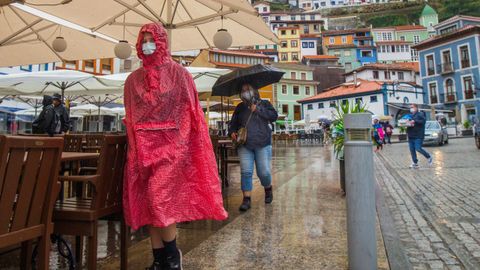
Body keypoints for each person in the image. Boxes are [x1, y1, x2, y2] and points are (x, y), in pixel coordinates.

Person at [122, 23, 228, 270]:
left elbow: (191, 113)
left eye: (152, 39)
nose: (147, 43)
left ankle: (172, 257)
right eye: (143, 39)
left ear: (161, 42)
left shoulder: (180, 74)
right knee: (150, 201)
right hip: (142, 150)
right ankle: (159, 259)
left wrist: (180, 146)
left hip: (170, 149)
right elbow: (131, 116)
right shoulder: (132, 80)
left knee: (160, 199)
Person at [229, 84, 278, 212]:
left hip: (262, 143)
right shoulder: (240, 107)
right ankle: (246, 199)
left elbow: (274, 116)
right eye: (243, 90)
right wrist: (232, 132)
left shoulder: (265, 103)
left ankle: (267, 188)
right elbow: (233, 124)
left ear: (254, 90)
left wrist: (258, 110)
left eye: (248, 90)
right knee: (246, 172)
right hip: (245, 144)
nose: (245, 92)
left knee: (264, 172)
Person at [407, 104, 433, 168]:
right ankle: (415, 162)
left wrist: (414, 121)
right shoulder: (410, 116)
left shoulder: (420, 114)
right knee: (412, 150)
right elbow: (409, 124)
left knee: (418, 148)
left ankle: (429, 156)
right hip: (411, 135)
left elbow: (423, 121)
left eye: (412, 107)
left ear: (416, 108)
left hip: (418, 135)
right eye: (410, 107)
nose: (411, 108)